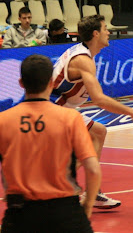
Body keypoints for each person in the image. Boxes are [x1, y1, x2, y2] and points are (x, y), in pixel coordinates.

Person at [51, 15, 133, 209]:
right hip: (52, 108)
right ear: (95, 34)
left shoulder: (84, 53)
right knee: (82, 145)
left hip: (63, 106)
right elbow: (99, 99)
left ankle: (93, 192)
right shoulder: (83, 60)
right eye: (105, 29)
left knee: (98, 132)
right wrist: (131, 112)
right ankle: (60, 183)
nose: (108, 32)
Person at [0, 55, 100, 232]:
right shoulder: (70, 118)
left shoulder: (3, 120)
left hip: (20, 214)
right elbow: (93, 169)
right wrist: (88, 205)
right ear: (52, 83)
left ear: (21, 83)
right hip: (66, 212)